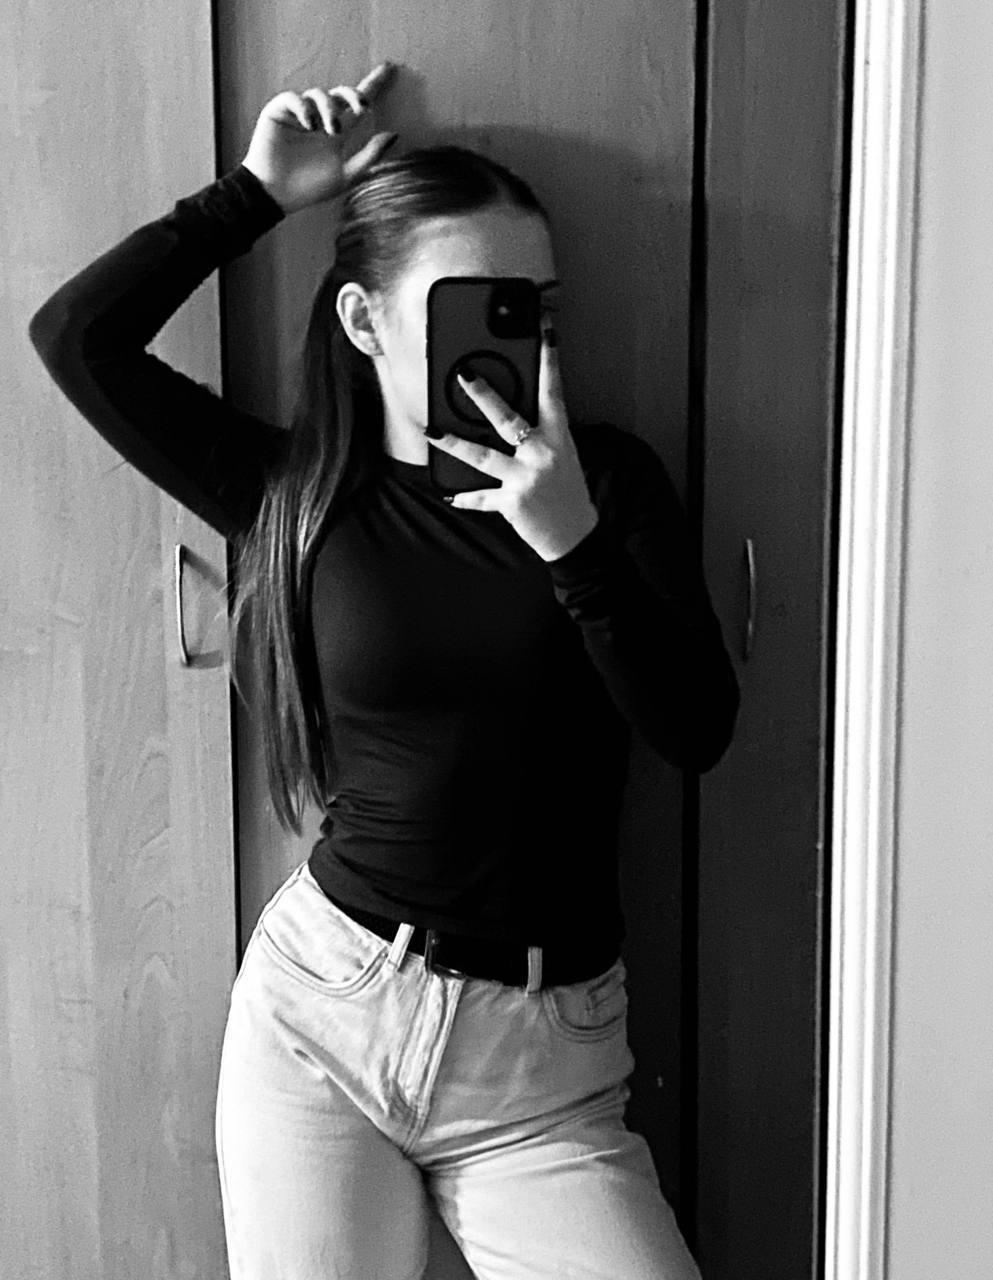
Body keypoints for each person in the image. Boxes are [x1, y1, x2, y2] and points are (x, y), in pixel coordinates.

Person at [28, 59, 738, 1280]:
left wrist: (571, 544)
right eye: (481, 307)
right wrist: (253, 193)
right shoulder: (301, 491)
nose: (521, 341)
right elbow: (76, 340)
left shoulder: (609, 483)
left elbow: (696, 726)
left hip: (545, 1072)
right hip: (326, 1014)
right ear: (365, 322)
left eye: (537, 308)